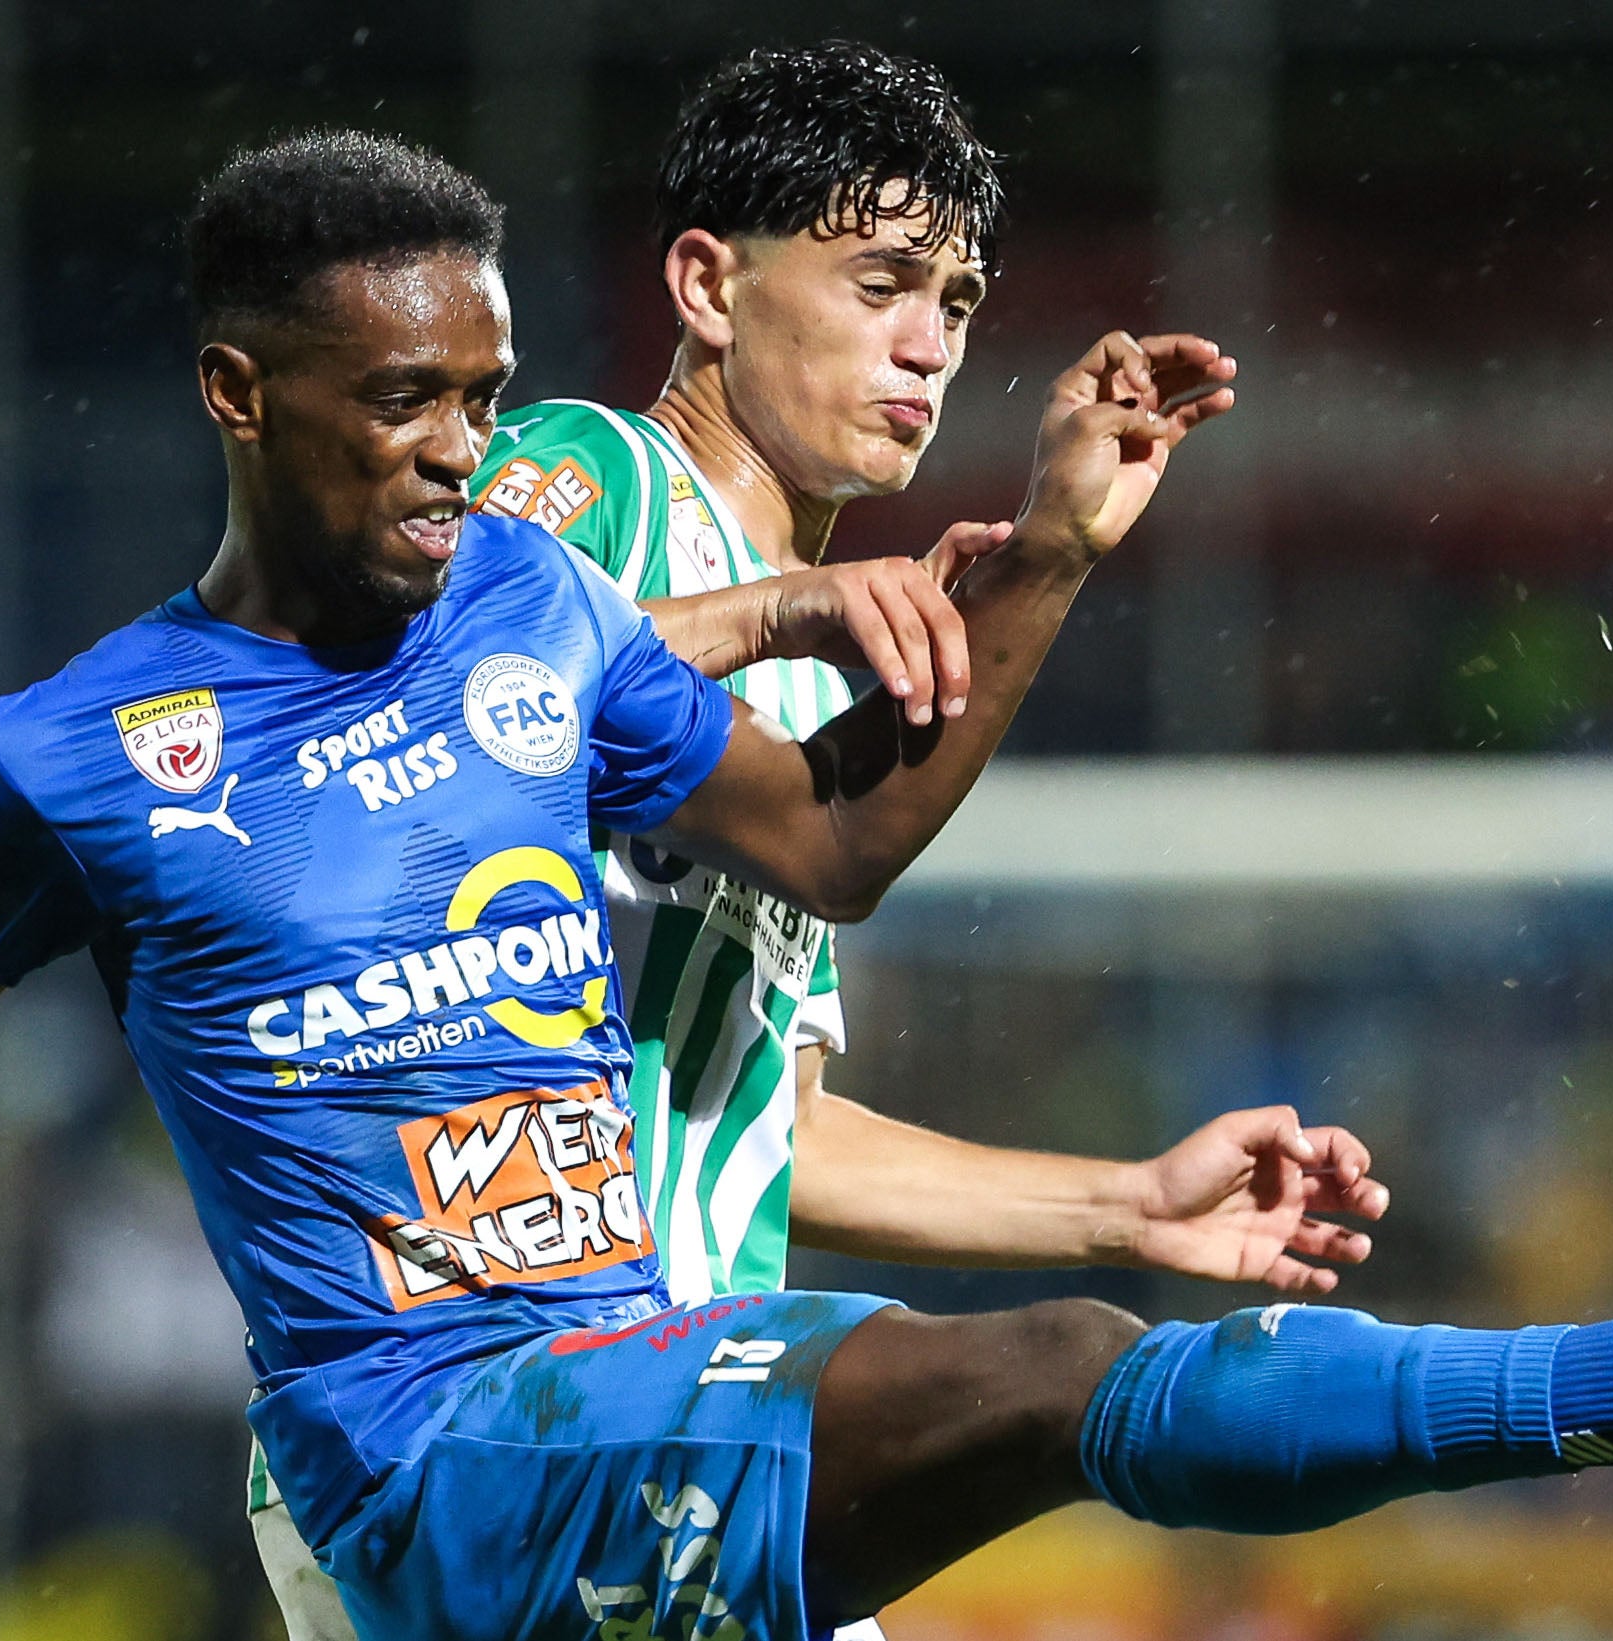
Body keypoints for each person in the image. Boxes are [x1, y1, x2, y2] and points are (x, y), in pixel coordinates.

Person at [0, 132, 1613, 1641]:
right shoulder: (74, 751)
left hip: (636, 1383)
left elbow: (831, 842)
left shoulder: (521, 614)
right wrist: (795, 598)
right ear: (238, 398)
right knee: (1054, 1371)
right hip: (434, 1457)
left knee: (1075, 1352)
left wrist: (1045, 561)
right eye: (405, 401)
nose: (459, 448)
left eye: (481, 397)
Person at [240, 47, 1320, 1640]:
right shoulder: (589, 477)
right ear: (707, 285)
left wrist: (1129, 1204)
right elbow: (413, 708)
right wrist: (778, 606)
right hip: (487, 1419)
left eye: (955, 301)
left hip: (667, 1412)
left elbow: (764, 1127)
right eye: (879, 282)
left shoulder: (812, 692)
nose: (927, 344)